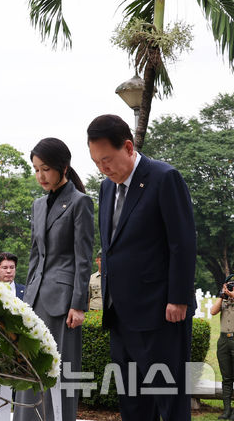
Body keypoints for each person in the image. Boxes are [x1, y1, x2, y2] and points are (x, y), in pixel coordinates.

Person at [88, 114, 196, 421]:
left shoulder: (164, 177)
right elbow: (111, 247)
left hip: (161, 313)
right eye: (96, 162)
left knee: (169, 400)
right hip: (120, 316)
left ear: (128, 146)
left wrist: (179, 298)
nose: (103, 168)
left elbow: (183, 242)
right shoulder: (106, 188)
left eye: (107, 159)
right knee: (132, 403)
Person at [14, 137, 94, 421]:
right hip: (35, 301)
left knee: (59, 377)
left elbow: (83, 257)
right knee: (29, 372)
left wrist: (79, 304)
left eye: (45, 169)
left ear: (63, 167)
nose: (40, 176)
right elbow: (35, 257)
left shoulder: (80, 202)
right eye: (36, 169)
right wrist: (24, 302)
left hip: (63, 305)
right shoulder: (37, 205)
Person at [211, 277, 234, 420]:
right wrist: (222, 295)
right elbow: (213, 311)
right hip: (224, 340)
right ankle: (226, 410)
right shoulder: (224, 300)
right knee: (227, 378)